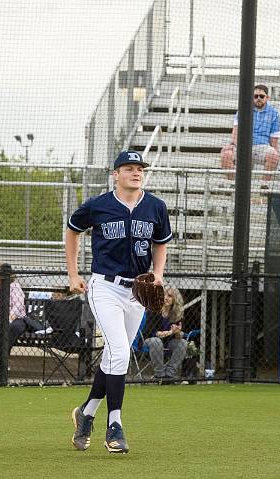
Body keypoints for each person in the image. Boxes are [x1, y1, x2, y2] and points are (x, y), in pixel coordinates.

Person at [66, 150, 172, 454]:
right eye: (129, 168)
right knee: (120, 351)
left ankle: (85, 414)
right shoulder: (98, 206)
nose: (136, 172)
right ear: (116, 174)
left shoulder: (155, 206)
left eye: (139, 168)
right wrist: (73, 274)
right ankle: (115, 425)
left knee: (115, 356)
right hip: (105, 287)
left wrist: (159, 275)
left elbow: (161, 243)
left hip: (137, 292)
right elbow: (72, 232)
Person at [0, 262, 43, 366]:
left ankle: (0, 359)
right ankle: (1, 359)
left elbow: (18, 305)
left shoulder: (14, 286)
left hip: (15, 318)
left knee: (14, 327)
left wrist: (9, 319)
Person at [220, 85, 280, 182]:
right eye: (255, 96)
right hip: (242, 146)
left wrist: (276, 153)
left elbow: (274, 138)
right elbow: (236, 130)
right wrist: (232, 144)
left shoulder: (274, 113)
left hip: (262, 147)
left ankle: (264, 186)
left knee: (274, 155)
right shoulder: (243, 110)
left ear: (267, 97)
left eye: (261, 96)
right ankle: (233, 185)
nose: (258, 99)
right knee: (226, 154)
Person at [143, 286, 187, 380]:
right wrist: (170, 332)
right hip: (149, 340)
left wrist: (177, 332)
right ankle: (160, 375)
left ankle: (169, 375)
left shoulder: (177, 314)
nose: (166, 297)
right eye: (164, 295)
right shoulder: (153, 309)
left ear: (175, 299)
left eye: (170, 296)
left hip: (167, 343)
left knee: (183, 343)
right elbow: (152, 332)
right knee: (156, 341)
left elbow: (178, 337)